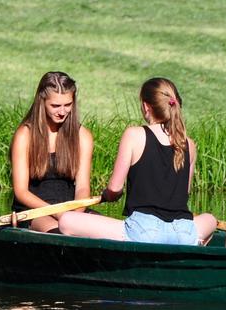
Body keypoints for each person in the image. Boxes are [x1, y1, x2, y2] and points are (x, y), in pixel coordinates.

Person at [58, 77, 216, 244]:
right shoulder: (190, 145)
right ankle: (191, 247)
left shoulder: (134, 135)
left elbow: (115, 188)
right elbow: (184, 193)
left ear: (146, 106)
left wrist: (108, 195)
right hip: (184, 231)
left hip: (144, 230)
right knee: (210, 220)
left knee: (67, 220)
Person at [10, 71, 94, 232]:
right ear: (42, 102)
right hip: (33, 212)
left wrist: (74, 216)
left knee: (109, 232)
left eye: (67, 105)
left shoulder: (83, 135)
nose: (62, 112)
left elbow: (83, 187)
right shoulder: (25, 135)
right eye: (55, 106)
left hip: (71, 211)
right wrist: (59, 214)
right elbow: (21, 192)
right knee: (61, 233)